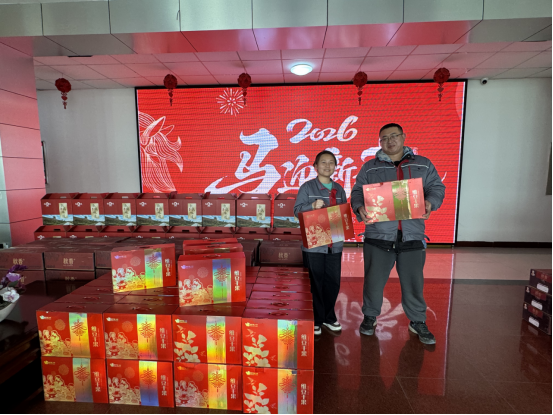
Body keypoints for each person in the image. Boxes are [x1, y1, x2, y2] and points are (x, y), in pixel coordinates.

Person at [350, 123, 446, 345]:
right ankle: (370, 316)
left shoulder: (423, 164)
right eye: (384, 138)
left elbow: (437, 188)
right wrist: (359, 207)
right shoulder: (370, 168)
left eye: (394, 136)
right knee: (373, 282)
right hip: (378, 236)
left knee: (414, 283)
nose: (389, 141)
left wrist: (430, 202)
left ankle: (417, 320)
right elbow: (357, 192)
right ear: (379, 142)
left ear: (403, 137)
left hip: (412, 235)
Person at [294, 150, 348, 336]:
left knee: (333, 282)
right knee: (314, 282)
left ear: (335, 166)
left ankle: (328, 317)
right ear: (315, 166)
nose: (327, 166)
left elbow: (343, 214)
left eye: (331, 162)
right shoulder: (307, 188)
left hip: (335, 243)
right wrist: (312, 206)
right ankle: (316, 319)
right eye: (323, 162)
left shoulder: (339, 189)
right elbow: (297, 211)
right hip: (314, 244)